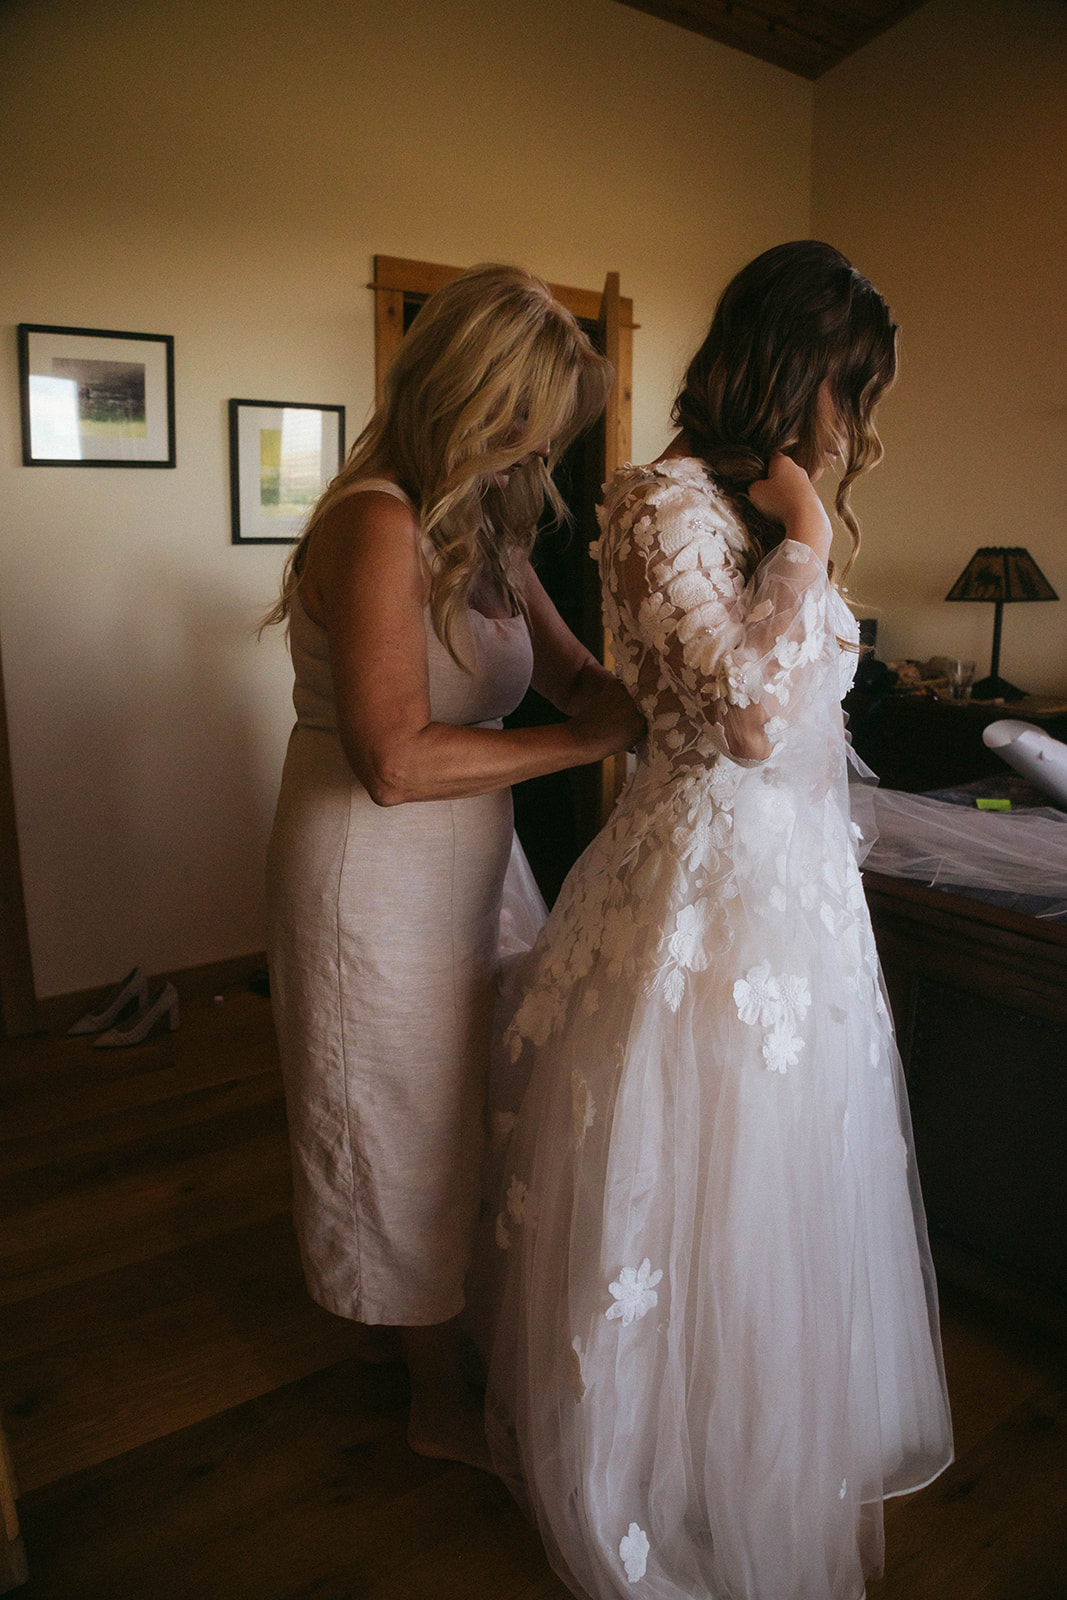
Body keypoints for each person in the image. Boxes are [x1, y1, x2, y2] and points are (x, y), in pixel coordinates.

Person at [484, 242, 954, 1599]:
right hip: (701, 884)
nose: (852, 420)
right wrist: (804, 543)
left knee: (782, 1183)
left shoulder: (755, 503)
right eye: (845, 386)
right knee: (684, 1172)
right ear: (792, 366)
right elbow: (745, 717)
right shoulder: (660, 502)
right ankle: (649, 1461)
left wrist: (797, 532)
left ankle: (749, 1447)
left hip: (800, 892)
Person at [263, 264, 644, 1472]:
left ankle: (409, 1318)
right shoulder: (376, 518)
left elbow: (563, 670)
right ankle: (433, 1394)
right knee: (396, 1115)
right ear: (461, 389)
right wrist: (580, 743)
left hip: (469, 857)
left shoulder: (481, 518)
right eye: (516, 419)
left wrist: (633, 698)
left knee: (466, 1096)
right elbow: (389, 756)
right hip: (371, 869)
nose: (530, 447)